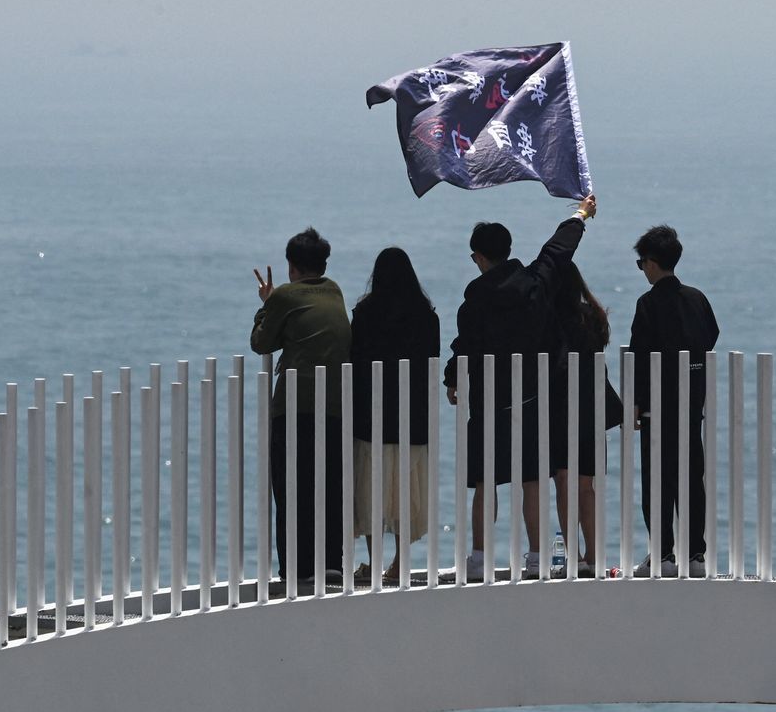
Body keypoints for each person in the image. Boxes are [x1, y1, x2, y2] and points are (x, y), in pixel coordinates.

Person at [444, 193, 597, 582]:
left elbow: (465, 347)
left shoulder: (473, 302)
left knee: (485, 481)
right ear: (508, 250)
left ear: (479, 256)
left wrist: (450, 380)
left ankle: (479, 557)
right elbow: (558, 250)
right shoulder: (534, 283)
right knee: (530, 480)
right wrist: (581, 214)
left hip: (487, 401)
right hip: (529, 398)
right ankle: (535, 554)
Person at [251, 227, 349, 586]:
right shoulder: (334, 290)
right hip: (335, 405)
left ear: (292, 266)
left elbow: (261, 344)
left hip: (294, 406)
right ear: (323, 264)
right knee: (329, 484)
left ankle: (295, 568)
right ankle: (331, 561)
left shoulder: (286, 296)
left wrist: (267, 304)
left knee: (291, 487)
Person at [629, 224, 719, 578]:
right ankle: (696, 554)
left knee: (658, 482)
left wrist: (636, 402)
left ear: (651, 263)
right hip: (690, 404)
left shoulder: (648, 303)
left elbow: (639, 354)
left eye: (641, 263)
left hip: (658, 407)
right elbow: (710, 336)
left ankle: (662, 555)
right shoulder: (697, 299)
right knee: (691, 480)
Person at [350, 247, 440, 584]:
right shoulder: (426, 315)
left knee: (371, 491)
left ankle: (374, 564)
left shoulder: (365, 312)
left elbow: (355, 358)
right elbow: (432, 358)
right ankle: (401, 562)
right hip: (412, 415)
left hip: (371, 416)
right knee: (405, 491)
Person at [548, 261, 623, 576]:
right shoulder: (593, 315)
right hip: (592, 405)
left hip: (563, 406)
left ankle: (574, 554)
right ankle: (593, 554)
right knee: (586, 485)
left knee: (565, 483)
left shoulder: (551, 319)